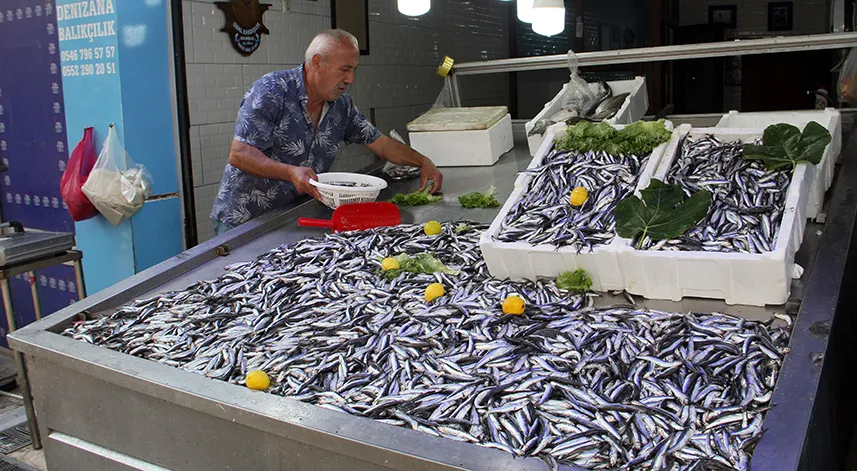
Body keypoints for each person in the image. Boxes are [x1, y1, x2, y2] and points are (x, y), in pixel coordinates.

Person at [210, 29, 443, 236]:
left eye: (353, 70)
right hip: (246, 221)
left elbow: (381, 144)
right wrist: (290, 172)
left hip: (296, 214)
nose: (350, 79)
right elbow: (240, 154)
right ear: (318, 62)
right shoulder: (272, 90)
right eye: (345, 69)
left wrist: (422, 161)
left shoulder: (341, 105)